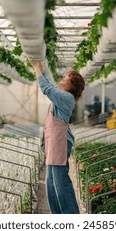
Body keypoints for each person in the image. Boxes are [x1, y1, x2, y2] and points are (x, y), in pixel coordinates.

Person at [30, 60, 85, 214]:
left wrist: (36, 68)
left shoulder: (67, 98)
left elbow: (47, 89)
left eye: (66, 77)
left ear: (72, 84)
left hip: (59, 143)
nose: (63, 78)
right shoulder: (62, 96)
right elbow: (50, 87)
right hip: (54, 142)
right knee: (50, 183)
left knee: (60, 183)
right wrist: (40, 69)